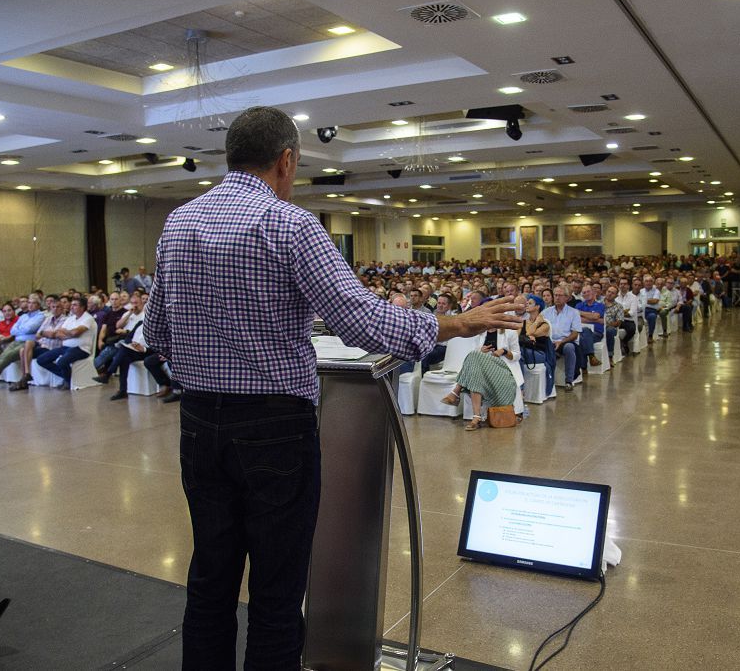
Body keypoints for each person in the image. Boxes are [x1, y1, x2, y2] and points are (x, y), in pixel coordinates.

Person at [142, 106, 521, 670]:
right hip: (273, 429)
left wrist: (212, 361)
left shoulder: (180, 222)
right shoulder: (290, 225)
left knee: (210, 575)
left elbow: (156, 330)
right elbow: (362, 322)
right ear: (287, 160)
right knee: (276, 586)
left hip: (200, 423)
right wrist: (461, 323)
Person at [440, 325, 522, 430]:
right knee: (475, 368)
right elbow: (474, 356)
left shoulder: (510, 332)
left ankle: (456, 393)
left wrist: (504, 351)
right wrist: (481, 350)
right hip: (484, 370)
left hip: (503, 369)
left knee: (473, 356)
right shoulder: (481, 333)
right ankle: (476, 417)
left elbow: (517, 355)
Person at [0, 295, 45, 390]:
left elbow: (30, 328)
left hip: (28, 343)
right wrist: (21, 330)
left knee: (7, 356)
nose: (30, 305)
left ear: (38, 305)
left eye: (33, 303)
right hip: (16, 341)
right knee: (2, 356)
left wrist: (20, 329)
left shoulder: (40, 316)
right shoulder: (23, 316)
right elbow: (13, 330)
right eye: (29, 303)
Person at [35, 297, 95, 387]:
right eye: (72, 305)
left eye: (75, 305)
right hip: (65, 347)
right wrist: (70, 334)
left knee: (62, 362)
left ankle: (67, 381)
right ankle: (68, 377)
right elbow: (59, 333)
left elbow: (75, 333)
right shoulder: (70, 318)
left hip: (81, 349)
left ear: (82, 307)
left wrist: (68, 333)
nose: (71, 307)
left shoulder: (88, 318)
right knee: (41, 360)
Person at [542, 285, 582, 391]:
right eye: (555, 295)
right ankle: (547, 381)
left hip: (565, 341)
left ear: (567, 297)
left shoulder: (574, 312)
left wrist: (561, 341)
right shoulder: (545, 312)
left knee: (569, 347)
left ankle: (569, 380)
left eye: (560, 295)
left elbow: (575, 333)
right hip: (549, 341)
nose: (557, 298)